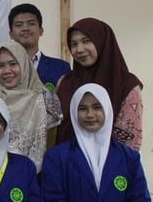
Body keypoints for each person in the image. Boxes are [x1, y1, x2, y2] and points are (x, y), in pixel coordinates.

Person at [56, 18, 143, 150]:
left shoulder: (126, 85)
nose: (79, 49)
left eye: (86, 41)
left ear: (102, 41)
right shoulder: (65, 83)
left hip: (112, 161)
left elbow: (130, 139)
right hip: (65, 160)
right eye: (73, 44)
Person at [0, 40, 63, 171]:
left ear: (24, 64)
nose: (7, 71)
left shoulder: (45, 100)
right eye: (0, 66)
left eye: (13, 64)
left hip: (39, 175)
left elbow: (53, 143)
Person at [0, 3, 71, 93]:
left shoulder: (60, 67)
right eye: (19, 25)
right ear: (11, 34)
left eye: (31, 24)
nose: (25, 28)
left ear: (41, 31)